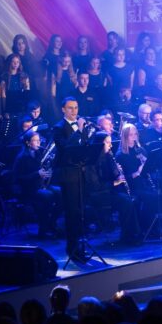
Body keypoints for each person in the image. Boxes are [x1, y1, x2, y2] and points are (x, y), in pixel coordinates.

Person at [51, 97, 94, 261]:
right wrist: (79, 130)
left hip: (80, 173)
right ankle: (72, 249)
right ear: (63, 109)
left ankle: (81, 247)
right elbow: (66, 147)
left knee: (81, 211)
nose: (74, 111)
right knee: (72, 212)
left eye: (76, 107)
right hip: (68, 175)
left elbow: (86, 147)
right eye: (70, 108)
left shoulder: (81, 126)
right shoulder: (58, 128)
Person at [12, 130, 61, 237]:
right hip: (27, 189)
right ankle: (43, 228)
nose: (39, 143)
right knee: (48, 196)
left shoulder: (38, 153)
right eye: (35, 141)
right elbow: (18, 178)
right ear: (28, 143)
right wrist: (37, 174)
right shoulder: (21, 157)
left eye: (39, 140)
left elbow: (41, 170)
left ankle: (51, 222)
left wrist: (46, 173)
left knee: (61, 192)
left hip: (38, 185)